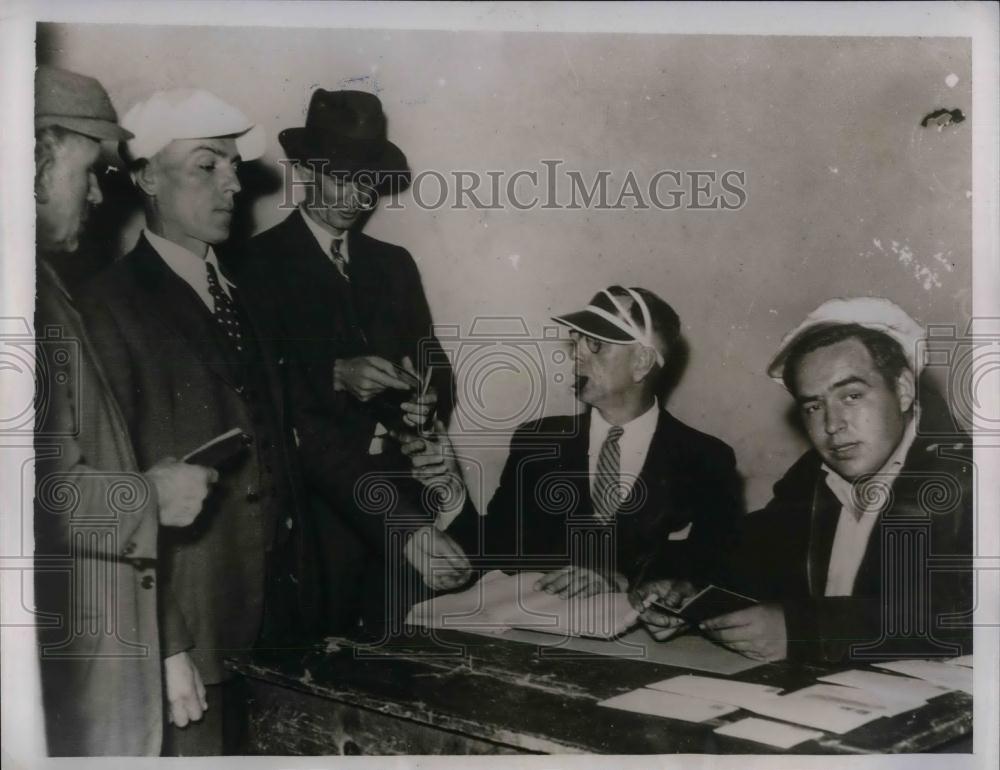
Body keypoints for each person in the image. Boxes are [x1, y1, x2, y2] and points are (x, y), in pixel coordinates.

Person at [78, 89, 310, 755]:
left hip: (275, 622)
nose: (231, 185)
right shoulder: (107, 308)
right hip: (191, 636)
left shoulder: (245, 294)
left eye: (234, 167)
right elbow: (108, 489)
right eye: (207, 167)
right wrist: (165, 643)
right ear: (147, 177)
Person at [33, 65, 215, 756]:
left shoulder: (43, 280)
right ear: (34, 155)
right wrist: (149, 497)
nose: (99, 191)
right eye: (90, 168)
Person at [636, 297, 973, 663]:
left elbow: (961, 612)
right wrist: (681, 587)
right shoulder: (815, 474)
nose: (832, 425)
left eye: (852, 396)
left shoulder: (970, 479)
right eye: (813, 406)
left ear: (904, 390)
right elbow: (750, 551)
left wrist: (803, 631)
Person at [238, 89, 462, 631]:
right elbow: (256, 395)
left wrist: (424, 410)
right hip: (317, 514)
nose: (356, 196)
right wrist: (333, 374)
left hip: (405, 494)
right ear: (309, 171)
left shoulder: (393, 265)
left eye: (369, 181)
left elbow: (435, 369)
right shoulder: (252, 264)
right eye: (340, 177)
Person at [405, 286, 743, 597]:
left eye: (595, 343)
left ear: (642, 362)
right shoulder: (538, 441)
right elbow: (493, 549)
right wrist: (451, 490)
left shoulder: (706, 459)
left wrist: (620, 580)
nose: (576, 354)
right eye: (576, 339)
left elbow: (714, 567)